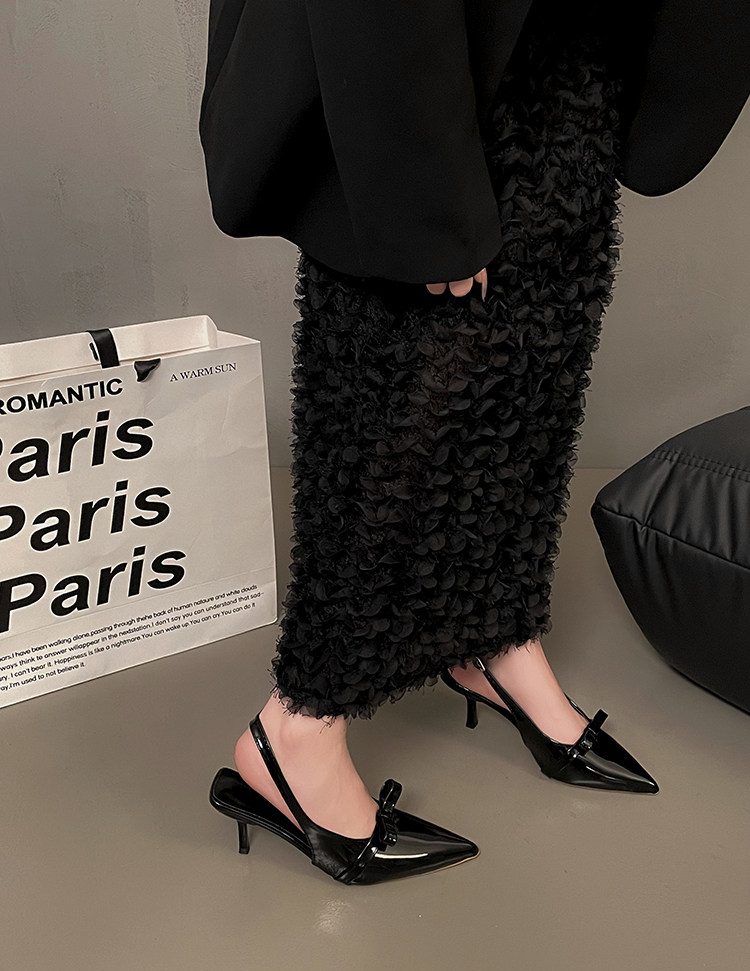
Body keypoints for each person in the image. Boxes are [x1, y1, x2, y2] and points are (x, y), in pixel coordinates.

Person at [206, 0, 666, 885]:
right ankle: (296, 731)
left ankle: (495, 632)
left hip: (571, 47)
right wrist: (425, 204)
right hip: (415, 44)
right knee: (404, 395)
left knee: (536, 361)